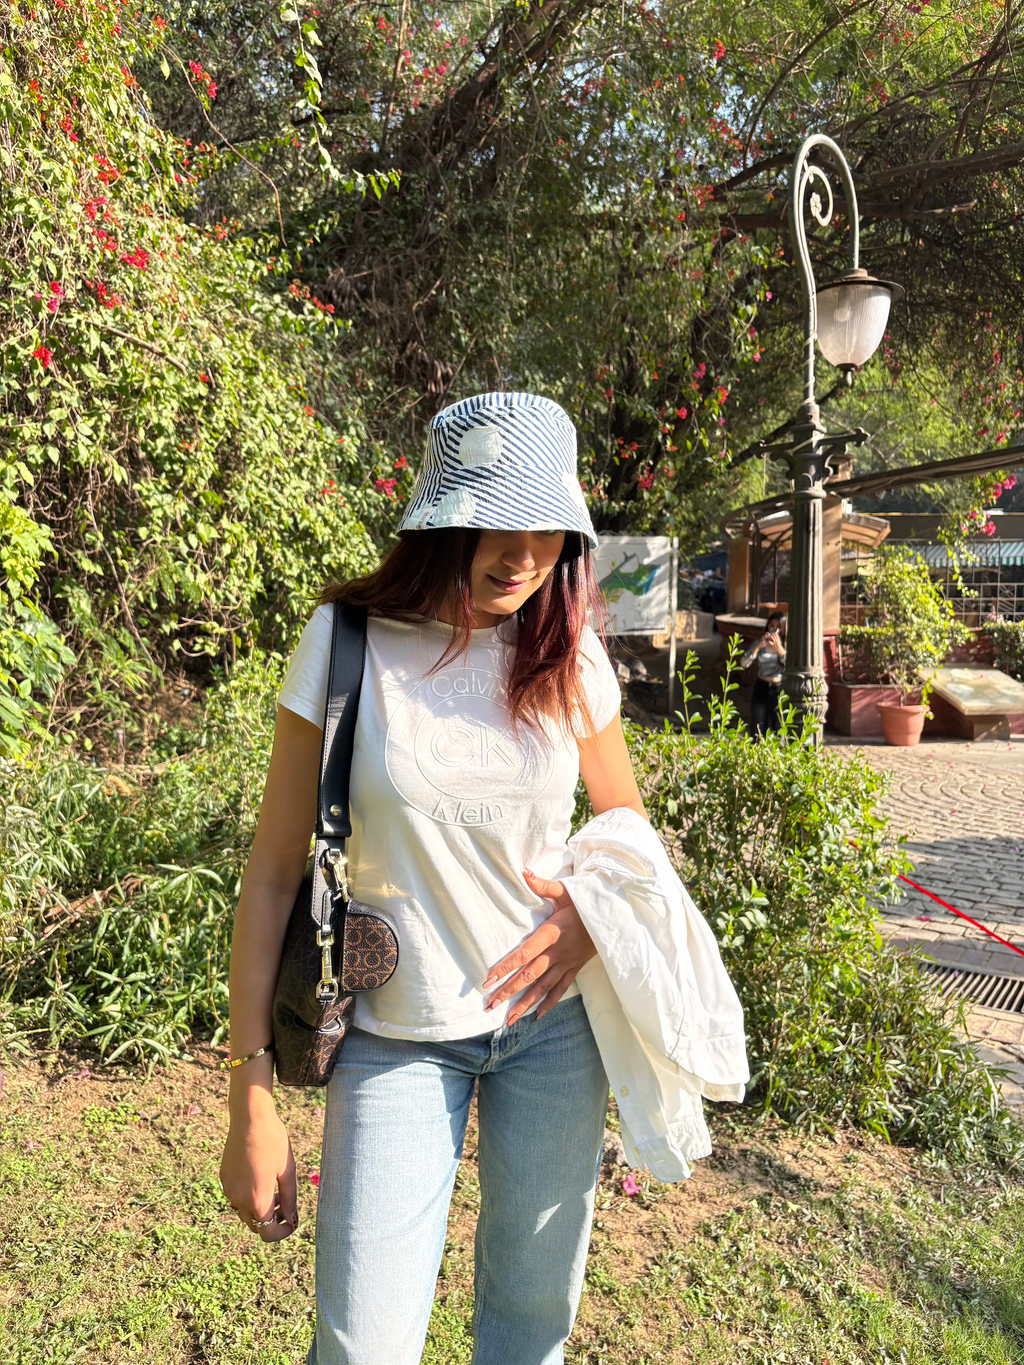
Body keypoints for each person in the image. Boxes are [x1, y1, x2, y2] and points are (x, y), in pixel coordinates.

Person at [218, 392, 650, 1365]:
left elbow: (624, 828)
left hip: (553, 1036)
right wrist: (250, 1096)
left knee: (529, 1326)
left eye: (545, 525)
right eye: (491, 520)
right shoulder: (348, 644)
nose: (519, 553)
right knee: (361, 1344)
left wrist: (590, 915)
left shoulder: (566, 653)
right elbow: (274, 871)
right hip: (395, 1035)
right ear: (437, 519)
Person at [741, 610, 787, 737]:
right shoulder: (759, 644)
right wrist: (758, 647)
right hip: (761, 686)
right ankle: (757, 754)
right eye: (771, 625)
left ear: (783, 629)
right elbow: (744, 663)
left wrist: (780, 650)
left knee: (778, 726)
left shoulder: (786, 645)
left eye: (778, 627)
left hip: (778, 688)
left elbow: (791, 666)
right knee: (758, 725)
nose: (774, 629)